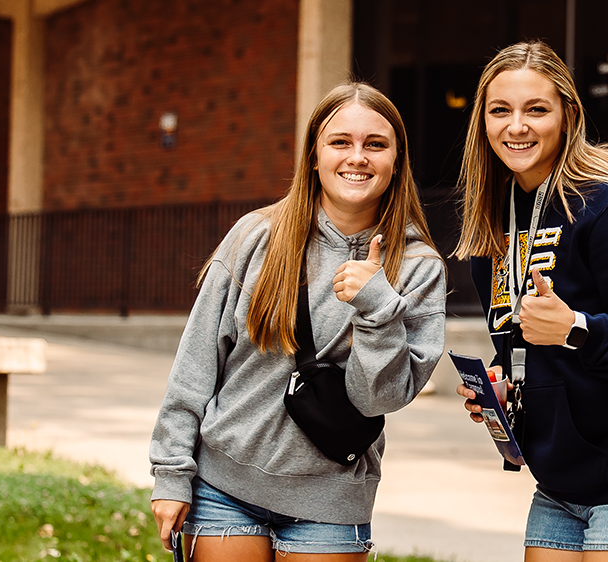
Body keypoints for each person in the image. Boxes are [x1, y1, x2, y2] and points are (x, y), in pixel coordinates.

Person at [148, 82, 446, 560]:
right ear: (313, 155)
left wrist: (377, 306)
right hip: (224, 487)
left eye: (375, 144)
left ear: (396, 161)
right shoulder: (256, 237)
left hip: (330, 501)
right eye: (340, 142)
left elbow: (379, 398)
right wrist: (171, 472)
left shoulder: (417, 266)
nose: (357, 157)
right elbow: (197, 364)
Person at [453, 40, 608, 561]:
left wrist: (575, 327)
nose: (516, 126)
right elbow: (523, 349)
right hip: (561, 482)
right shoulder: (494, 227)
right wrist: (504, 387)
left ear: (568, 116)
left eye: (536, 109)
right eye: (500, 110)